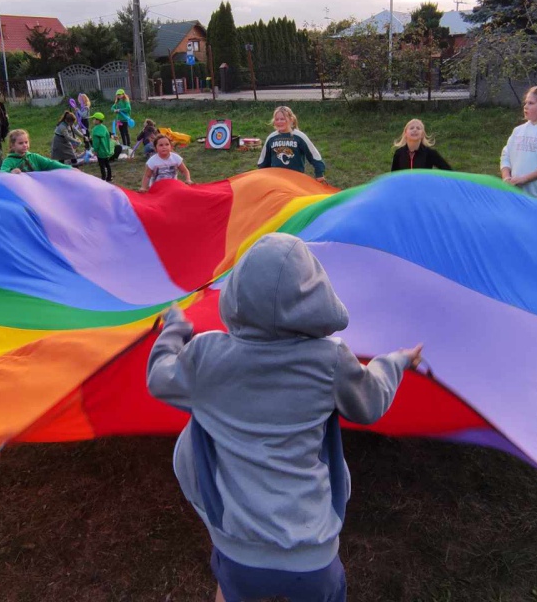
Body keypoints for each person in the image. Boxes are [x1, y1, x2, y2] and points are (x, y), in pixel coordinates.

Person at [147, 233, 423, 602]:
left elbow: (160, 377)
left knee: (229, 591)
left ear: (237, 294)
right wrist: (397, 360)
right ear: (316, 297)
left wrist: (175, 331)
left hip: (237, 548)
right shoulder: (330, 361)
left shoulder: (205, 354)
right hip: (312, 556)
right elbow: (370, 402)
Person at [257, 105, 326, 183]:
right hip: (276, 179)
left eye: (282, 119)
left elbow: (314, 156)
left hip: (296, 179)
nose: (279, 122)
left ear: (291, 120)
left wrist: (319, 173)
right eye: (277, 119)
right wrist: (262, 175)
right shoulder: (271, 138)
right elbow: (263, 160)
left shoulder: (299, 136)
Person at [1, 129, 72, 173]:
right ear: (12, 145)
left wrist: (70, 168)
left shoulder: (34, 157)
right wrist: (10, 172)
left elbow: (50, 164)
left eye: (26, 142)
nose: (25, 145)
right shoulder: (9, 161)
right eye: (21, 143)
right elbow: (2, 173)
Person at [90, 112, 122, 182]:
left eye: (94, 119)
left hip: (100, 151)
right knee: (107, 164)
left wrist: (95, 150)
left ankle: (103, 178)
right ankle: (109, 177)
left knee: (102, 166)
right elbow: (108, 138)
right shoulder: (104, 128)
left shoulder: (95, 130)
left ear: (98, 120)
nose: (93, 120)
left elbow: (96, 142)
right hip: (106, 150)